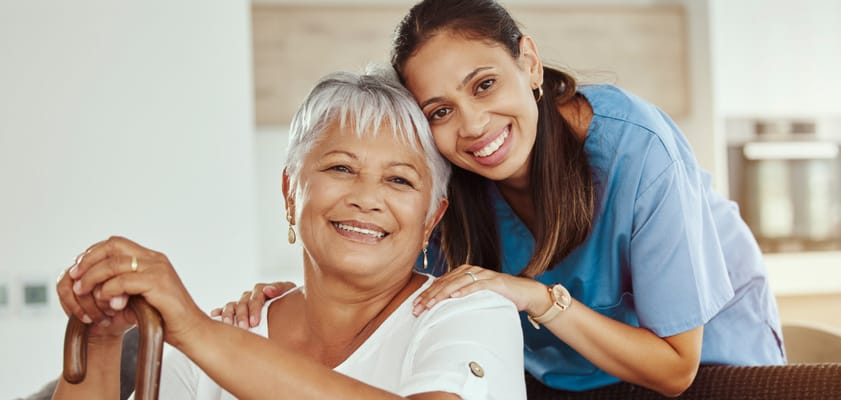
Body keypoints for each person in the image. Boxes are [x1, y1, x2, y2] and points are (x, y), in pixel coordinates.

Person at [221, 0, 788, 397]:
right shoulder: (446, 178)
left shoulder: (637, 149)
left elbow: (675, 369)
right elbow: (389, 292)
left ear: (530, 62)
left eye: (484, 84)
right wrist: (294, 303)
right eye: (439, 111)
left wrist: (536, 298)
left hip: (709, 370)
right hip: (557, 380)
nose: (471, 125)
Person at [52, 67, 527, 400]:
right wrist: (99, 344)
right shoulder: (222, 338)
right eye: (341, 167)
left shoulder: (471, 313)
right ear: (289, 191)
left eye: (399, 179)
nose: (367, 197)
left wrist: (197, 331)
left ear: (432, 217)